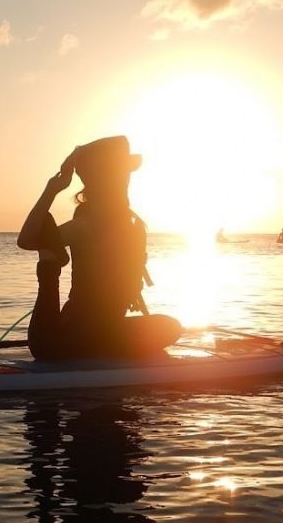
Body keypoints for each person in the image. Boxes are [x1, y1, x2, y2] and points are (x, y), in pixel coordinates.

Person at [17, 135, 181, 361]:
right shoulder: (86, 224)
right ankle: (50, 261)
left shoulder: (133, 224)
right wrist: (52, 189)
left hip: (106, 331)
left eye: (126, 172)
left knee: (170, 327)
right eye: (121, 171)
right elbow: (26, 240)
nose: (126, 178)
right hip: (58, 339)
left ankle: (104, 345)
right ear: (105, 177)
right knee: (60, 343)